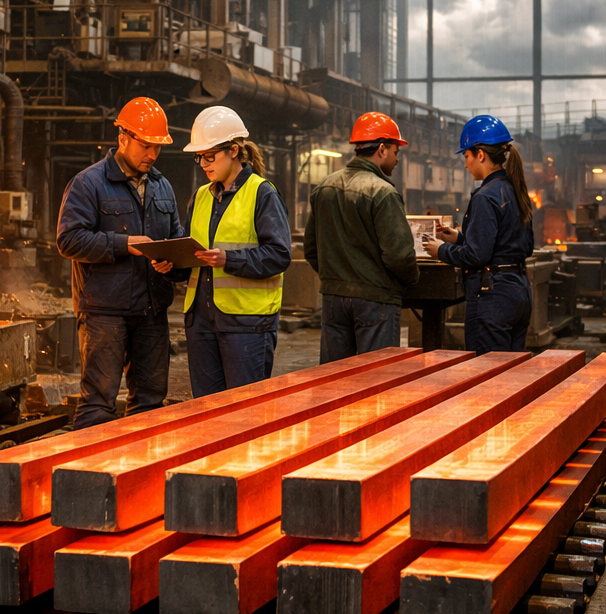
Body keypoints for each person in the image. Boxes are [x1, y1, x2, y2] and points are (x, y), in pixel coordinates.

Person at [56, 96, 187, 429]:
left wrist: (173, 264)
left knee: (150, 404)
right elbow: (69, 240)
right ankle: (88, 477)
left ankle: (137, 477)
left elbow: (174, 238)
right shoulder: (89, 183)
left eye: (158, 148)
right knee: (98, 404)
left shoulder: (162, 187)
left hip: (152, 311)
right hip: (105, 313)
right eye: (145, 146)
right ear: (123, 138)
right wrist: (125, 244)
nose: (152, 155)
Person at [182, 106, 291, 397]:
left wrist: (229, 260)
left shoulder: (262, 193)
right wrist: (172, 265)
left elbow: (279, 255)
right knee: (204, 412)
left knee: (244, 412)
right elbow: (190, 250)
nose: (203, 164)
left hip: (248, 324)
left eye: (209, 156)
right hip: (202, 322)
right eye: (199, 157)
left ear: (233, 150)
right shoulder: (200, 197)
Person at [304, 111, 419, 361]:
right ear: (381, 149)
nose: (397, 159)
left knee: (333, 379)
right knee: (375, 380)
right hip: (376, 300)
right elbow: (399, 256)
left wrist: (336, 277)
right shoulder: (383, 192)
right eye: (395, 151)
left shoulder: (324, 187)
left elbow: (311, 249)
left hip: (333, 300)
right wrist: (409, 282)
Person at [423, 115, 533, 353]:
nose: (465, 164)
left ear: (480, 154)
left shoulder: (485, 196)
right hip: (520, 291)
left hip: (493, 297)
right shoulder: (515, 190)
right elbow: (515, 245)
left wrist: (439, 250)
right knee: (511, 374)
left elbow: (477, 256)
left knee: (489, 377)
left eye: (466, 156)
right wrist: (458, 238)